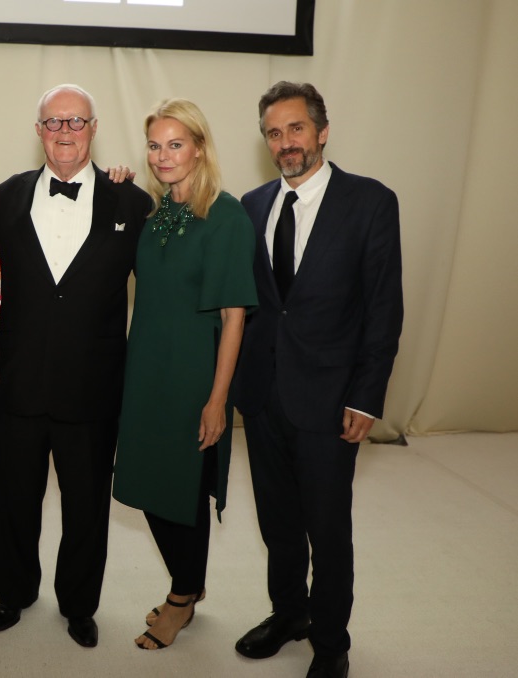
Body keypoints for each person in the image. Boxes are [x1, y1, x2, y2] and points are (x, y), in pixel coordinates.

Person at [231, 82, 403, 678]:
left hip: (332, 400)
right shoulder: (251, 206)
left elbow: (384, 310)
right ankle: (289, 615)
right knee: (277, 522)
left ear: (322, 131)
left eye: (296, 129)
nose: (286, 143)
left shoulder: (371, 203)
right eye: (274, 133)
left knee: (327, 528)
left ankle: (331, 641)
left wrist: (367, 395)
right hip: (263, 394)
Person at [0, 84, 154, 648]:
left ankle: (80, 605)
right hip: (20, 383)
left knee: (86, 510)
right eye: (53, 122)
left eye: (75, 122)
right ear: (38, 131)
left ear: (94, 128)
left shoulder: (132, 204)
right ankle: (13, 593)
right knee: (14, 501)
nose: (64, 132)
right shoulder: (4, 198)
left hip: (92, 388)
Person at [112, 99, 257, 650]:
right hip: (146, 367)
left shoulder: (225, 215)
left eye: (176, 144)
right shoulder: (155, 213)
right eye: (154, 144)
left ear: (199, 147)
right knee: (149, 485)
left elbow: (234, 315)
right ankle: (187, 588)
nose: (163, 155)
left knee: (184, 493)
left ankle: (183, 596)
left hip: (194, 374)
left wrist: (218, 399)